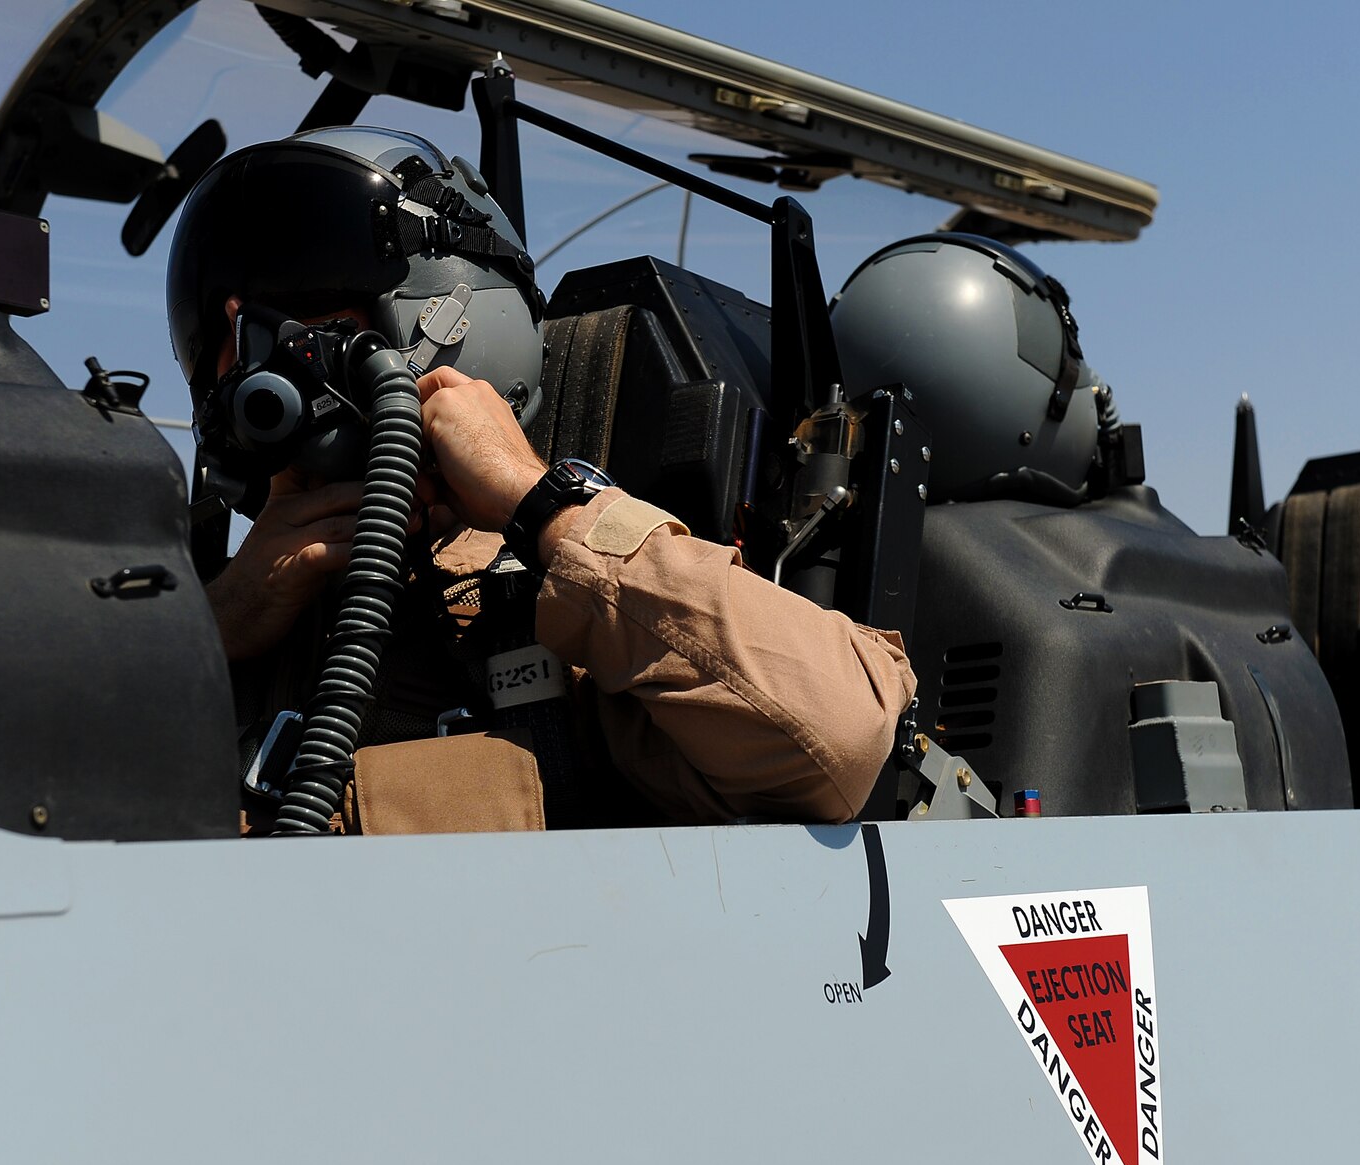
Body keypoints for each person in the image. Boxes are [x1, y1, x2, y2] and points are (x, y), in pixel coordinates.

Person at [167, 127, 915, 833]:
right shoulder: (226, 620)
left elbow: (843, 734)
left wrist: (542, 501)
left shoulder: (574, 615)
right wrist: (212, 631)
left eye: (303, 316)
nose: (251, 363)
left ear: (446, 308)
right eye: (224, 334)